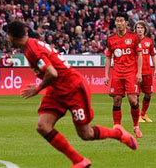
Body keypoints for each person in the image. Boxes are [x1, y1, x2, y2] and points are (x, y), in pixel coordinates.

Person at [7, 21, 137, 168]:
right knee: (43, 126)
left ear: (12, 36)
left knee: (85, 134)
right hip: (56, 90)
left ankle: (118, 134)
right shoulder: (30, 46)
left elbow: (52, 73)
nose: (7, 39)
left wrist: (37, 88)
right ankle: (79, 160)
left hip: (73, 88)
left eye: (7, 36)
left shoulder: (32, 50)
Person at [104, 12, 143, 137]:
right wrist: (106, 74)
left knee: (133, 100)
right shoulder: (111, 39)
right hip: (117, 73)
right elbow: (108, 57)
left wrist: (139, 72)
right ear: (115, 22)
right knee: (116, 100)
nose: (119, 23)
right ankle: (117, 128)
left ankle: (136, 126)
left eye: (122, 21)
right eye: (117, 21)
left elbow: (139, 55)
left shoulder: (134, 37)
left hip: (131, 72)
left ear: (126, 22)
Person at [134, 21, 156, 123]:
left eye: (141, 28)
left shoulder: (149, 41)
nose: (139, 29)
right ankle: (138, 116)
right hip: (136, 73)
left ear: (145, 29)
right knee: (136, 95)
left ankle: (143, 114)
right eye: (138, 28)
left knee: (148, 94)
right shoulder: (132, 41)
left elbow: (153, 55)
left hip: (147, 72)